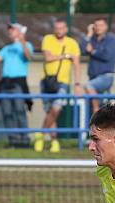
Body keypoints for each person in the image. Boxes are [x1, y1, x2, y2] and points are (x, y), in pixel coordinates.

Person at [35, 20, 82, 154]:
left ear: (66, 29)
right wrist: (66, 56)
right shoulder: (48, 39)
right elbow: (47, 57)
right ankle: (54, 142)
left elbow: (77, 64)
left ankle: (40, 135)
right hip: (46, 80)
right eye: (57, 28)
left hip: (63, 81)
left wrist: (77, 84)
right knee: (49, 112)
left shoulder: (72, 43)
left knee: (56, 110)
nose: (59, 30)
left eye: (61, 28)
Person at [0, 23, 33, 148]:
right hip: (6, 82)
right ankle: (13, 140)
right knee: (7, 112)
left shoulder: (27, 45)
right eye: (10, 29)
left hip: (18, 82)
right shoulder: (6, 48)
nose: (10, 31)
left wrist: (22, 40)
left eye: (13, 29)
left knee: (19, 111)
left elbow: (28, 57)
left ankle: (24, 140)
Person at [80, 17, 115, 114]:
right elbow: (81, 49)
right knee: (101, 105)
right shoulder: (92, 39)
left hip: (106, 76)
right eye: (96, 25)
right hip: (93, 77)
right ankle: (102, 111)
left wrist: (93, 51)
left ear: (106, 27)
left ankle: (96, 111)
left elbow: (107, 55)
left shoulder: (111, 40)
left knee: (89, 86)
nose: (98, 28)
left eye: (101, 25)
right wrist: (88, 34)